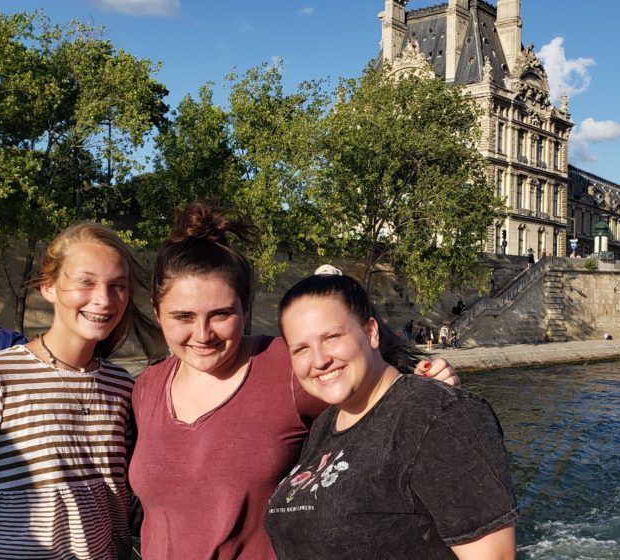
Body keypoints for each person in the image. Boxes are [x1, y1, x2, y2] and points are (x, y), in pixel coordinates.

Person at [128, 202, 458, 559]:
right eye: (183, 316)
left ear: (246, 308)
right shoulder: (146, 387)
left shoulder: (285, 367)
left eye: (221, 314)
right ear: (156, 310)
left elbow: (380, 398)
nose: (202, 334)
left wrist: (426, 385)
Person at [265, 269, 517, 559]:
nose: (319, 360)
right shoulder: (324, 426)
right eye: (301, 349)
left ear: (371, 332)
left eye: (332, 337)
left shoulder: (440, 416)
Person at [0, 222, 162, 559]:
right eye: (87, 282)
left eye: (117, 286)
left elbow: (131, 499)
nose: (104, 299)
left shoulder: (124, 388)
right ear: (48, 286)